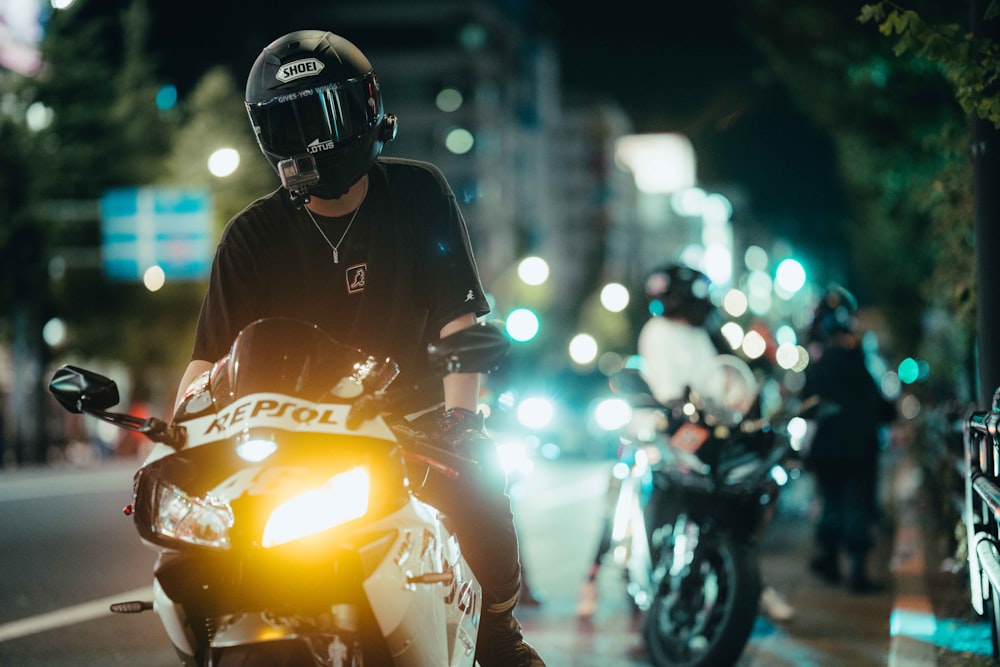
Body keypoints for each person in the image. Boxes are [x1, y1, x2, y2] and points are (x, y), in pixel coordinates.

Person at [172, 30, 544, 666]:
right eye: (283, 124)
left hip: (416, 431)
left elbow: (459, 320)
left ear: (364, 108)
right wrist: (183, 426)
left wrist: (461, 420)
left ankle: (498, 634)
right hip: (290, 440)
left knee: (483, 498)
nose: (304, 141)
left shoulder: (419, 193)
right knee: (210, 575)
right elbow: (206, 365)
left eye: (316, 116)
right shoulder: (250, 236)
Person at [576, 264, 794, 622]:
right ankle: (592, 578)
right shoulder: (658, 331)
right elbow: (668, 387)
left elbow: (724, 379)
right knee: (619, 498)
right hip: (659, 428)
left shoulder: (703, 336)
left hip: (702, 428)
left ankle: (747, 582)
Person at [802, 285, 896, 594]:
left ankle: (829, 562)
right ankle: (857, 573)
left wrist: (805, 450)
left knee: (831, 504)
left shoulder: (819, 367)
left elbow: (809, 411)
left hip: (828, 449)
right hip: (859, 448)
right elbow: (883, 406)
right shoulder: (864, 363)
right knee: (857, 508)